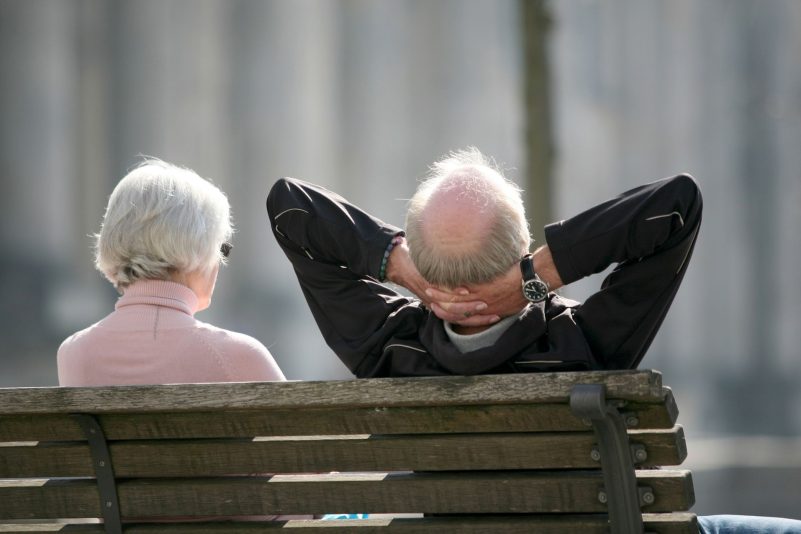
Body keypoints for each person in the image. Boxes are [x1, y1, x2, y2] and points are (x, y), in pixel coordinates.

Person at [267, 147, 801, 533]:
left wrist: (405, 271)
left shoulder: (387, 347)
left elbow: (290, 208)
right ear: (523, 244)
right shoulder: (581, 344)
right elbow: (676, 205)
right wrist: (535, 278)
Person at [58, 158, 285, 386]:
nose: (220, 262)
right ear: (198, 247)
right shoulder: (239, 355)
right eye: (221, 248)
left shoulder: (74, 352)